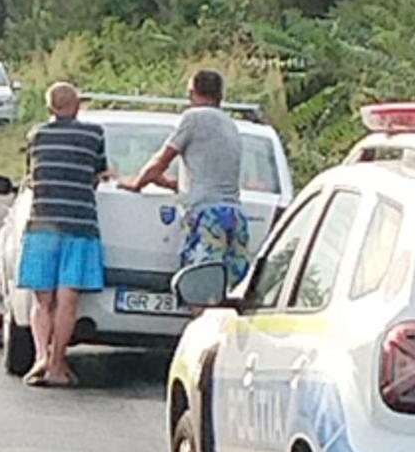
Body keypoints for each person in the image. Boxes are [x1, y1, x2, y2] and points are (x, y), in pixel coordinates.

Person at [119, 69, 251, 284]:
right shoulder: (230, 124)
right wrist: (173, 185)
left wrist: (137, 183)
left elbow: (162, 160)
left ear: (192, 93)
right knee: (225, 289)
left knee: (199, 287)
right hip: (235, 216)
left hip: (207, 216)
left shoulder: (193, 118)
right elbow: (209, 175)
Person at [18, 82, 108, 387]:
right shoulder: (94, 135)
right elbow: (98, 174)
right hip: (80, 224)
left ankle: (40, 356)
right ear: (78, 105)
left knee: (42, 300)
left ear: (49, 108)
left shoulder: (36, 135)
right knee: (67, 300)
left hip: (42, 223)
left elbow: (32, 176)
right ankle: (56, 364)